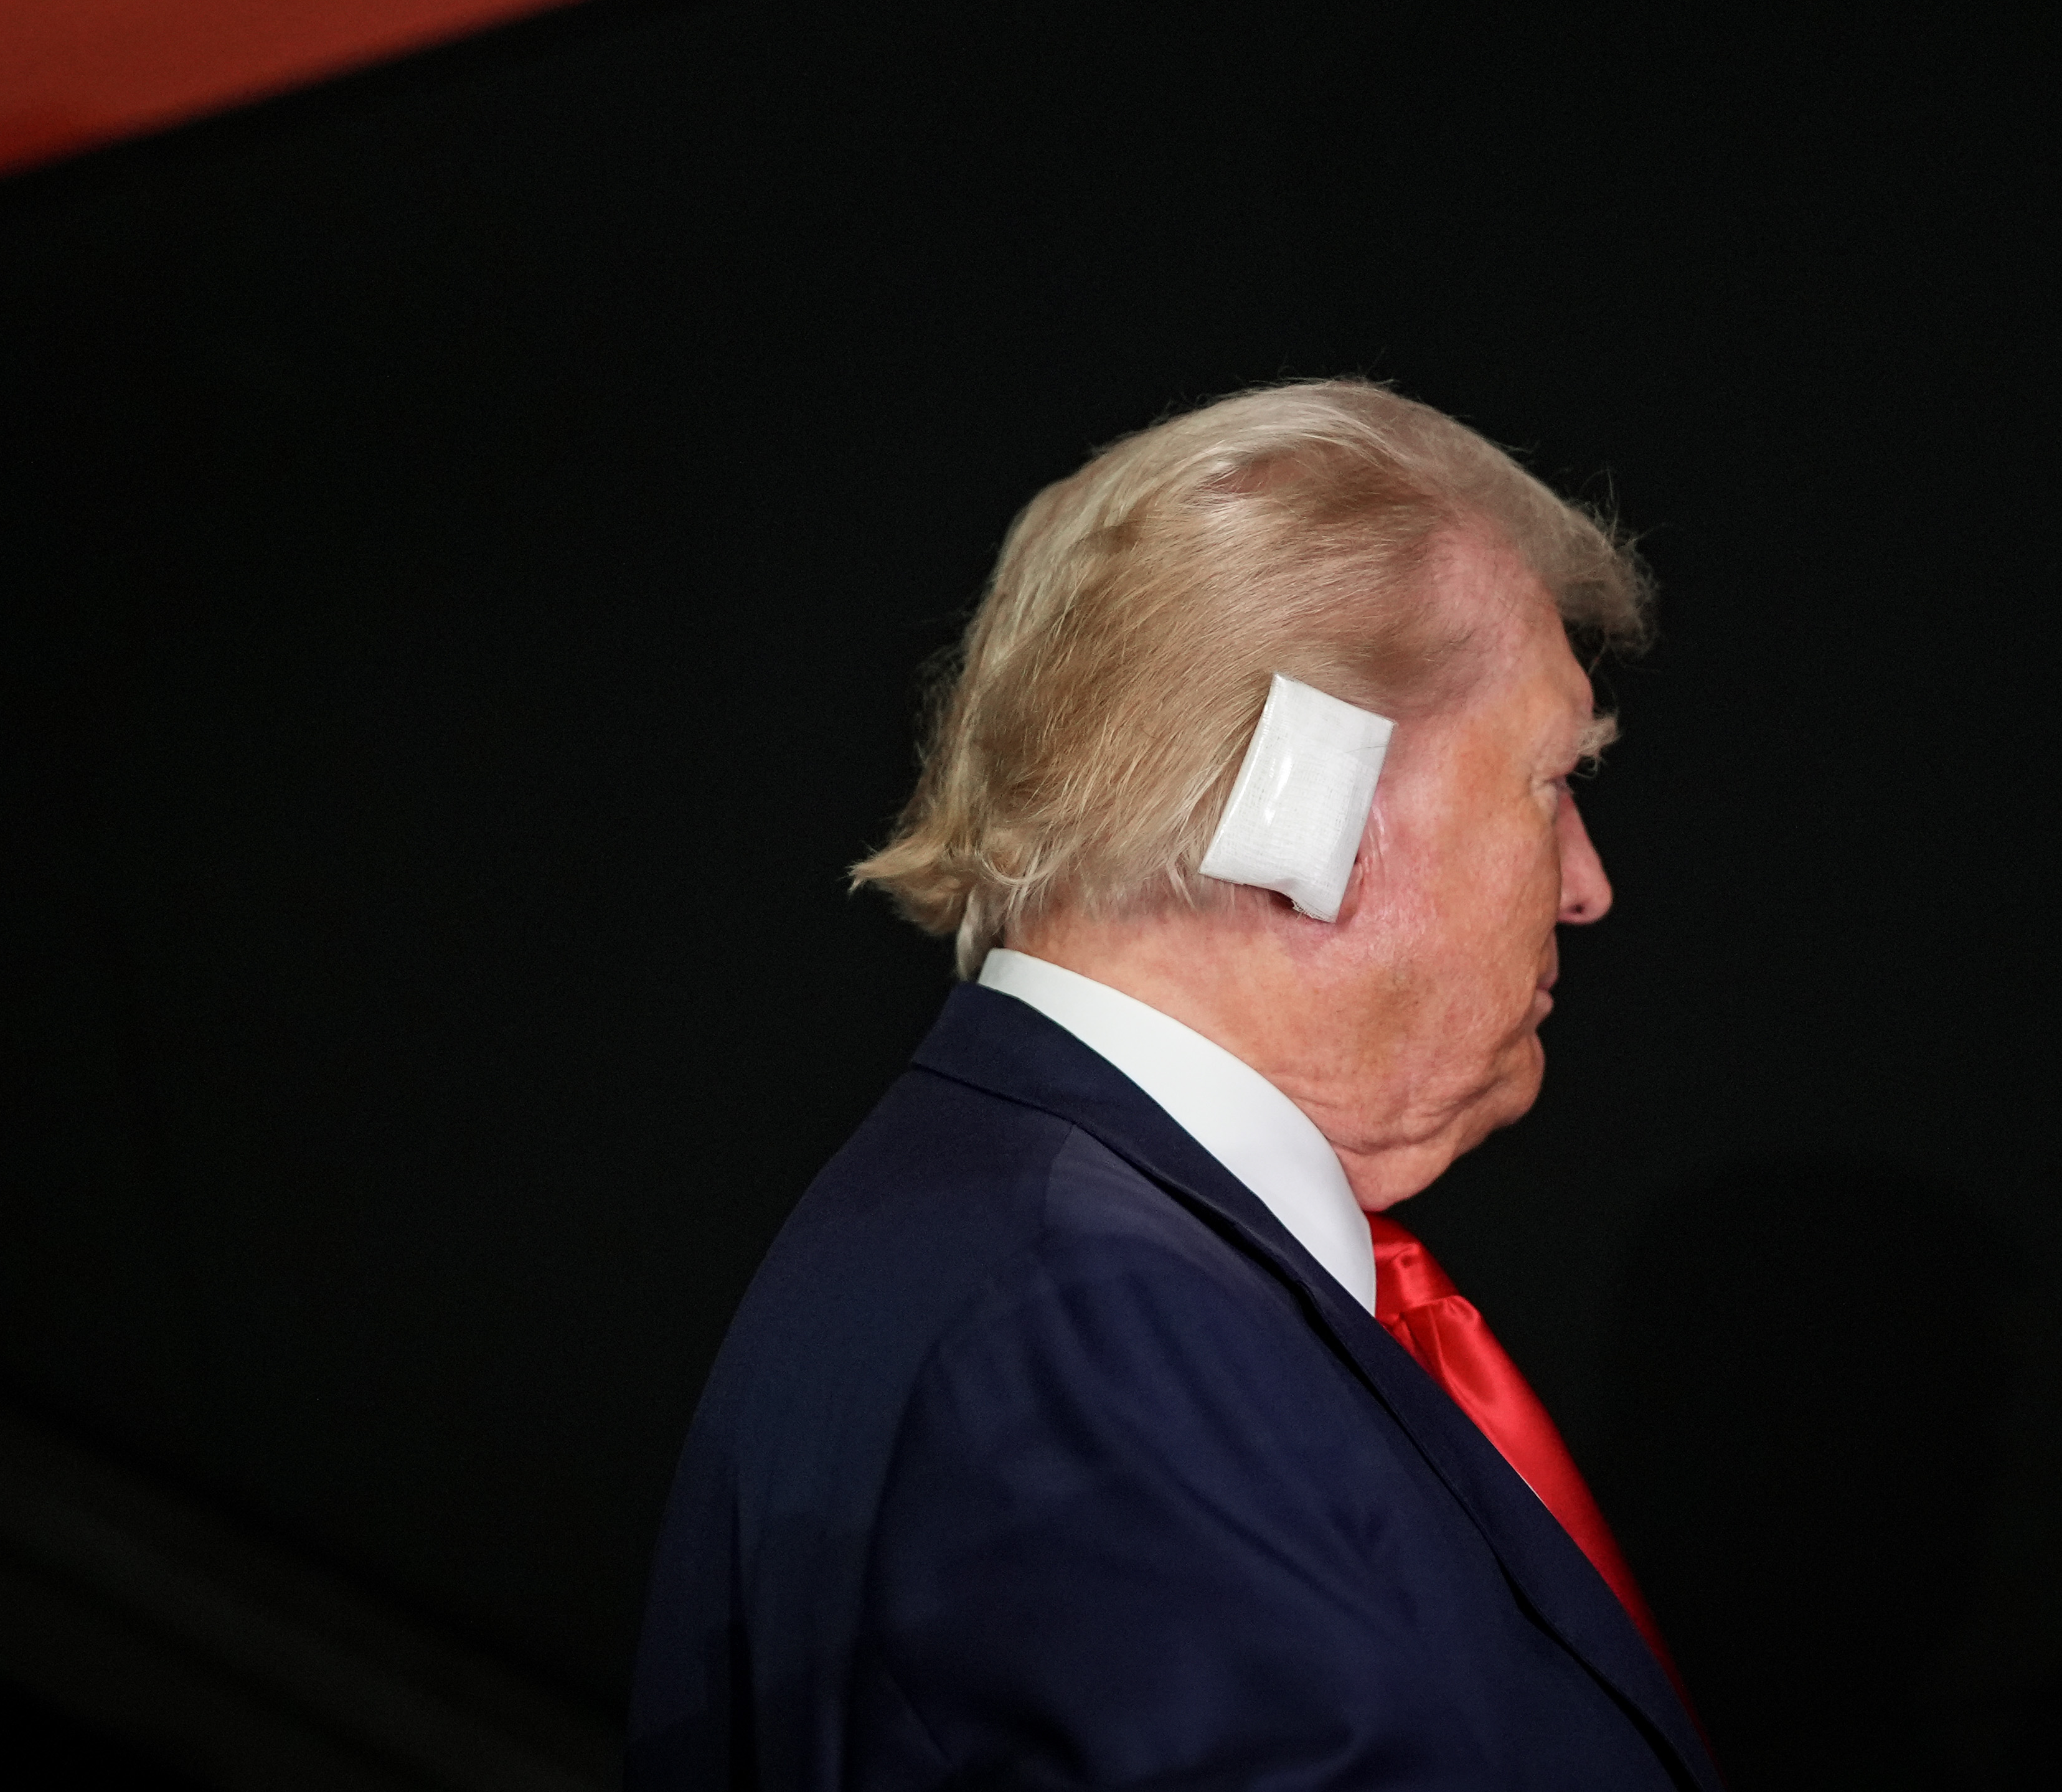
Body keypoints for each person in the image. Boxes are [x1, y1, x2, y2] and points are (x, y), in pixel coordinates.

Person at [627, 380, 1712, 1789]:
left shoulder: (1014, 1234)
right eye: (1551, 779)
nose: (1588, 885)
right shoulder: (1092, 1328)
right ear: (1309, 804)